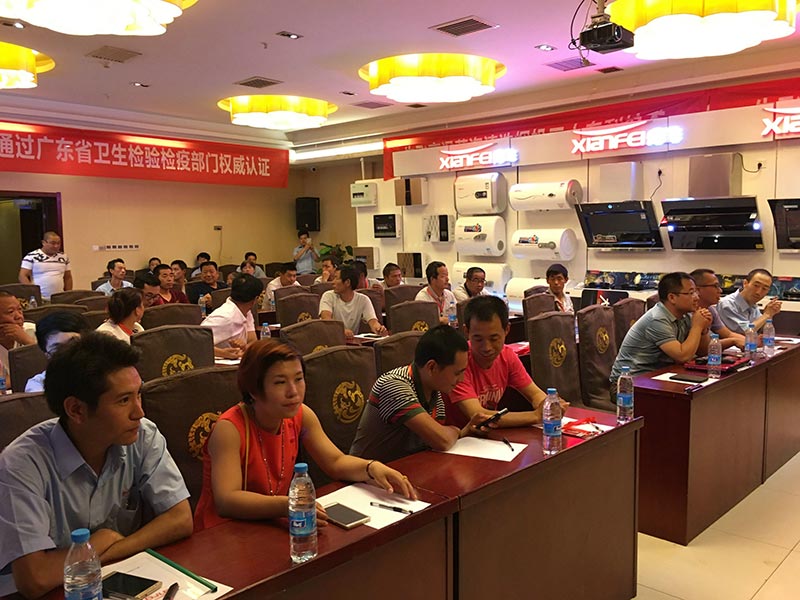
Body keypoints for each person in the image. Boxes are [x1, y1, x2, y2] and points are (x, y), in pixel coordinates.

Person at [0, 333, 192, 598]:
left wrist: (102, 550)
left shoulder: (143, 435)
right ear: (76, 410)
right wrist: (100, 541)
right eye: (123, 400)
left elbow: (180, 519)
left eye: (138, 395)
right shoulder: (21, 464)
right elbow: (35, 579)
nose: (139, 412)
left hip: (117, 579)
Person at [194, 338, 417, 531]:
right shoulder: (230, 428)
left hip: (277, 522)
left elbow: (335, 461)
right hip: (224, 533)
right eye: (280, 382)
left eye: (298, 379)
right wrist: (287, 504)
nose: (293, 391)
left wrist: (371, 467)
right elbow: (227, 500)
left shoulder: (301, 415)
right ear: (253, 389)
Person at [350, 325, 493, 462]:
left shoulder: (435, 391)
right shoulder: (394, 385)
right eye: (457, 373)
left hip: (407, 468)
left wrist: (464, 431)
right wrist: (455, 430)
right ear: (432, 367)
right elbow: (441, 440)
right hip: (367, 475)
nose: (461, 379)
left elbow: (436, 441)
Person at [444, 295, 565, 428]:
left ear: (507, 330)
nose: (486, 347)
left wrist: (549, 406)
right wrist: (536, 416)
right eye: (478, 339)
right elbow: (478, 415)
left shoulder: (507, 356)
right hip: (458, 436)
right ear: (466, 331)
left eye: (494, 339)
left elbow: (535, 394)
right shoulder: (458, 362)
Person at [610, 272, 712, 387]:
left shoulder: (685, 315)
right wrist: (697, 326)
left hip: (658, 377)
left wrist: (703, 330)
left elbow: (703, 352)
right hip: (629, 384)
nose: (697, 297)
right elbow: (683, 356)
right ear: (672, 297)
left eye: (696, 292)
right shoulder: (657, 319)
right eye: (691, 293)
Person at [25, 311, 89, 393]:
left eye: (73, 344)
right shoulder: (38, 385)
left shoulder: (103, 376)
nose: (68, 352)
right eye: (58, 348)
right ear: (47, 355)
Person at [202, 273, 263, 359]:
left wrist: (245, 347)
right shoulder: (224, 317)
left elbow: (253, 341)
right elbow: (194, 343)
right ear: (255, 299)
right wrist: (222, 353)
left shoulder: (246, 311)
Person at [319, 266, 387, 339]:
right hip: (329, 340)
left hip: (351, 341)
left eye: (336, 278)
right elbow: (326, 320)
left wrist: (379, 329)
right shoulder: (328, 296)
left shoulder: (363, 299)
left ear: (347, 282)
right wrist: (341, 330)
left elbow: (373, 322)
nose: (333, 282)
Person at [690, 269, 745, 349]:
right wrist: (733, 341)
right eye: (715, 286)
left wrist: (751, 341)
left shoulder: (710, 309)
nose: (720, 290)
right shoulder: (687, 312)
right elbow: (701, 349)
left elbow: (728, 334)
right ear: (698, 290)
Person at [717, 268, 782, 334]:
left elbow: (760, 330)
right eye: (756, 286)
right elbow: (747, 332)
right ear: (745, 283)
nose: (758, 292)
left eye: (764, 289)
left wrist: (770, 314)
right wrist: (766, 315)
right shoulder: (727, 304)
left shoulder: (752, 305)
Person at [18, 231, 72, 301]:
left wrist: (68, 294)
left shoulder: (64, 257)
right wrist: (32, 293)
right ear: (43, 243)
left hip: (59, 297)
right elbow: (22, 276)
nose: (56, 246)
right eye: (53, 243)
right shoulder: (31, 256)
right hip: (40, 298)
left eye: (58, 243)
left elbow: (68, 277)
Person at [0, 291, 36, 389]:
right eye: (11, 312)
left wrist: (28, 342)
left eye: (20, 310)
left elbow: (52, 367)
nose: (19, 316)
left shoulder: (32, 330)